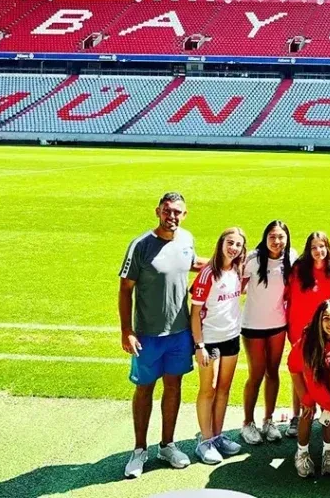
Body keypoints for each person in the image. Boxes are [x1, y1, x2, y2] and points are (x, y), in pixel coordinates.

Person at [119, 192, 207, 479]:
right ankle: (139, 450)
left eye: (178, 212)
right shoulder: (141, 245)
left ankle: (167, 445)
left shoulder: (186, 239)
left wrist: (226, 260)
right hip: (147, 335)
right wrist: (126, 331)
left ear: (185, 214)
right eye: (167, 211)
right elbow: (125, 289)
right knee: (144, 389)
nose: (172, 216)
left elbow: (191, 263)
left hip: (180, 333)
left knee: (173, 387)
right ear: (158, 211)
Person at [189, 227, 248, 465]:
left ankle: (217, 435)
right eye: (230, 243)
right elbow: (194, 314)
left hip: (231, 337)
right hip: (210, 339)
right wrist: (199, 345)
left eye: (238, 244)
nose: (233, 248)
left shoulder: (237, 269)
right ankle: (204, 441)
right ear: (221, 243)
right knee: (208, 389)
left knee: (224, 388)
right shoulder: (207, 275)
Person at [240, 220, 297, 445]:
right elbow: (237, 282)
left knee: (272, 372)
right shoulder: (253, 259)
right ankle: (247, 423)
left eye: (281, 237)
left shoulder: (291, 256)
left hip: (278, 325)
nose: (276, 241)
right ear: (265, 238)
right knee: (256, 373)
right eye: (272, 236)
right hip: (253, 325)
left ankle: (268, 420)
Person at [288, 299, 330, 478]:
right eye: (325, 318)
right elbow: (314, 385)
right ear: (318, 320)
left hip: (326, 373)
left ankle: (328, 452)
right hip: (302, 373)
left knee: (327, 410)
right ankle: (301, 453)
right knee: (308, 406)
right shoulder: (310, 340)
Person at [286, 231, 330, 437]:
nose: (318, 251)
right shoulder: (299, 270)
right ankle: (298, 415)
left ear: (327, 248)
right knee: (300, 372)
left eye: (322, 246)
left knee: (324, 372)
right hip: (299, 330)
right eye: (314, 247)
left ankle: (327, 415)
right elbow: (289, 298)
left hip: (324, 331)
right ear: (309, 250)